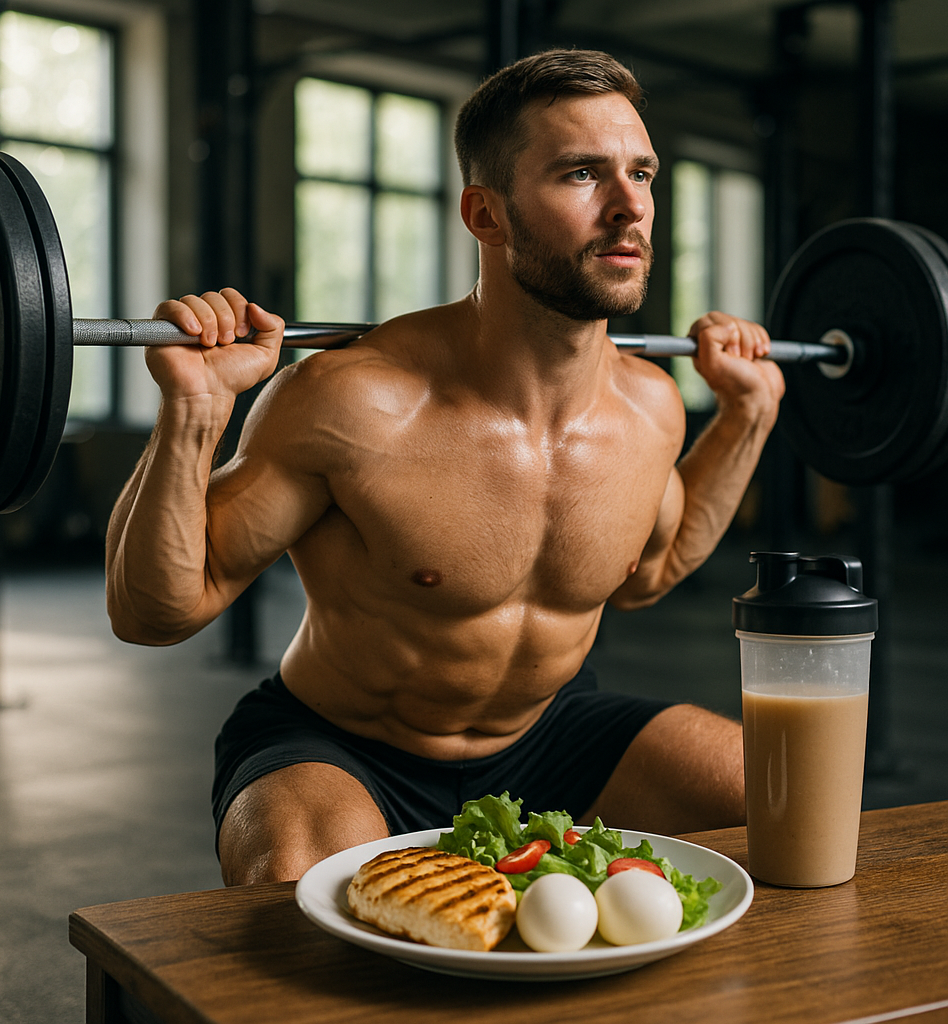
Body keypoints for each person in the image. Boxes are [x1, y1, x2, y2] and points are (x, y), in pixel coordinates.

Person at [105, 48, 784, 885]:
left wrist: (750, 416)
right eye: (581, 174)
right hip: (345, 745)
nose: (629, 208)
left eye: (641, 173)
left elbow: (646, 576)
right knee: (298, 889)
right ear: (485, 215)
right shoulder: (353, 401)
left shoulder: (651, 409)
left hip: (553, 732)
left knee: (788, 803)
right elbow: (154, 613)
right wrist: (194, 414)